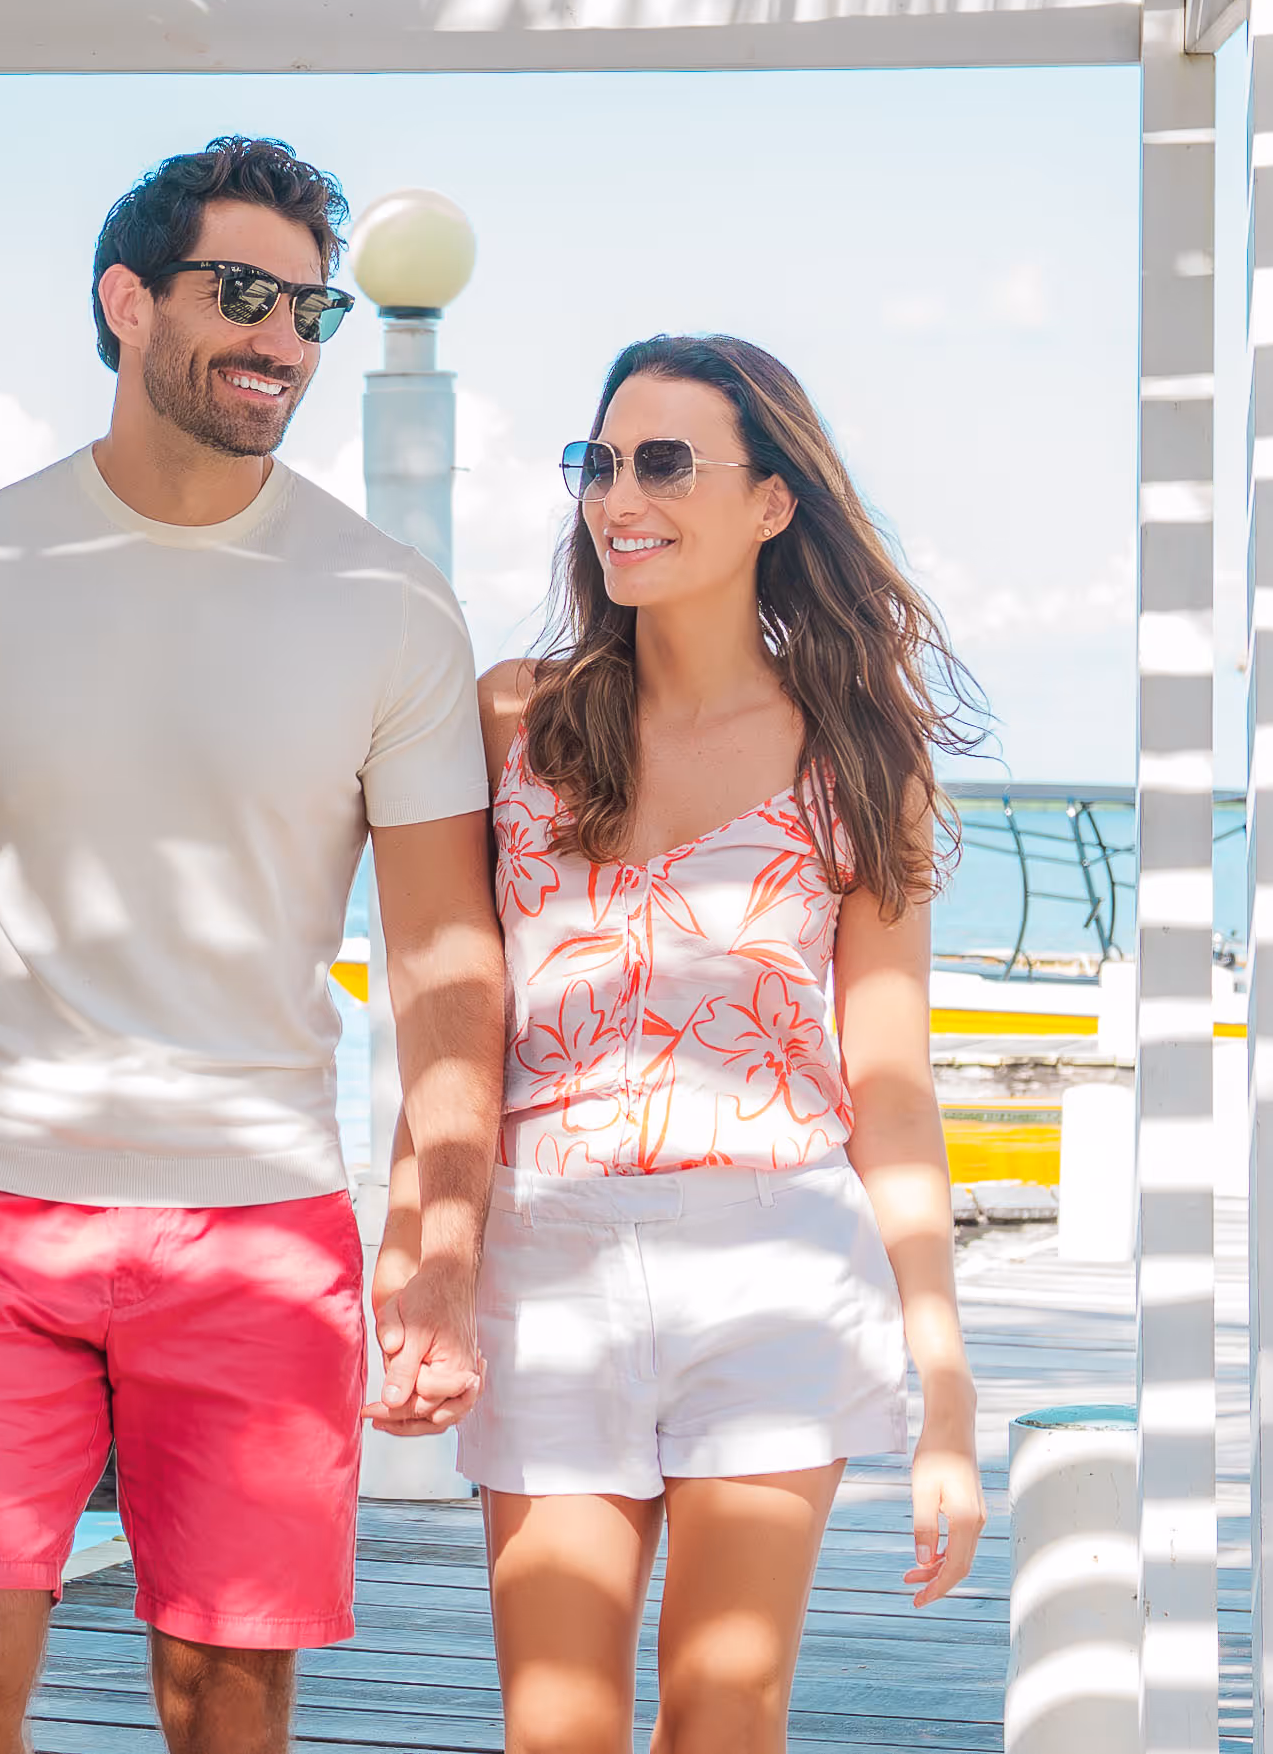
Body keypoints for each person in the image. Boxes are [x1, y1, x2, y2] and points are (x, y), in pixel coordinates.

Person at [0, 136, 508, 1754]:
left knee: (228, 1713)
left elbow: (448, 960)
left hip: (261, 1225)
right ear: (124, 301)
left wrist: (437, 1248)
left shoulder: (386, 605)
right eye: (243, 295)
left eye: (313, 309)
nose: (284, 341)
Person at [448, 332, 989, 1754]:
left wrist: (945, 1386)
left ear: (772, 502)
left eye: (667, 462)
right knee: (552, 1730)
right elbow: (450, 1016)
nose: (621, 495)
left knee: (724, 1716)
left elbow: (890, 1081)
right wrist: (426, 1264)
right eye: (602, 462)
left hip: (772, 1263)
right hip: (547, 1257)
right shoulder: (514, 718)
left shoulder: (861, 752)